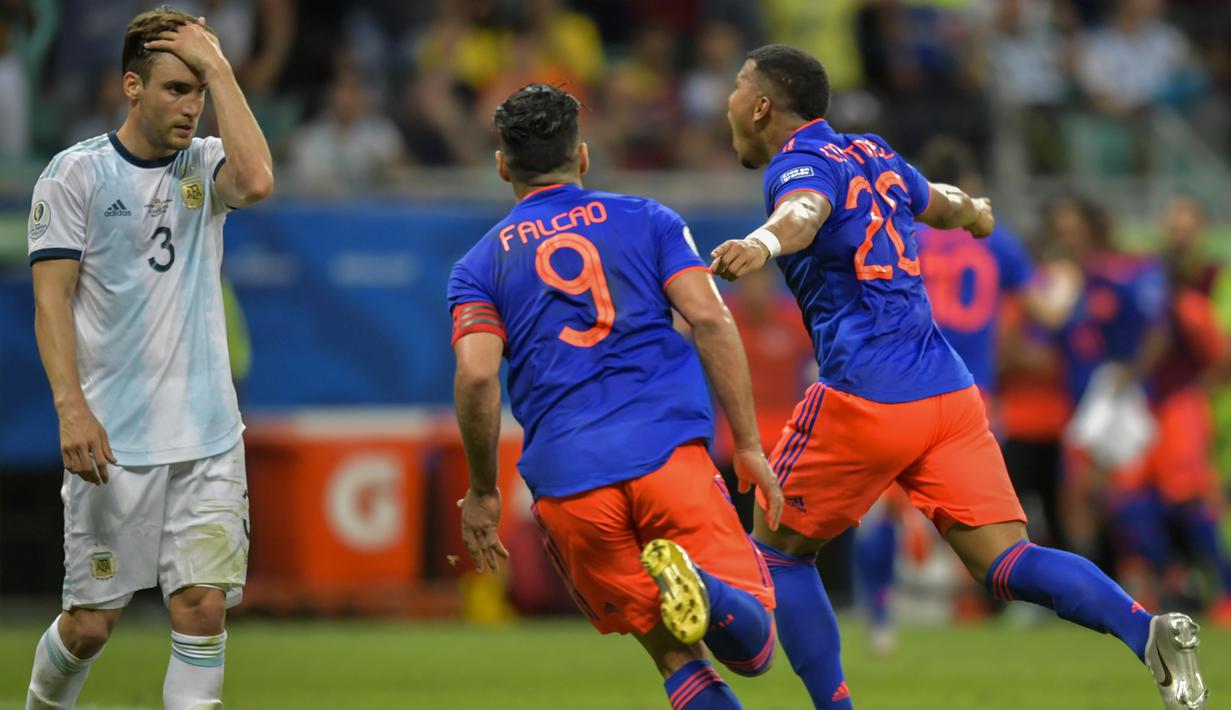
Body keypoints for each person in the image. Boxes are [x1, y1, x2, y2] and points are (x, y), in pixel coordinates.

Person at [712, 43, 1207, 709]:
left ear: (762, 105)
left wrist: (763, 242)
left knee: (777, 555)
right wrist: (975, 210)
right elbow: (938, 201)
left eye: (736, 88)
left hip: (865, 396)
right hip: (949, 395)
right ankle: (1144, 630)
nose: (728, 102)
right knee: (1005, 562)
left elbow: (802, 212)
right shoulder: (872, 153)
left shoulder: (795, 167)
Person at [448, 83, 783, 709]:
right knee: (756, 651)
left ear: (502, 166)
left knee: (674, 656)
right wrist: (750, 445)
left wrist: (484, 490)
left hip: (570, 482)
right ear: (581, 156)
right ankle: (706, 589)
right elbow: (709, 320)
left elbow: (475, 376)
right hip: (668, 455)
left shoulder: (478, 265)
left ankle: (696, 598)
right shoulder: (648, 219)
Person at [24, 9, 274, 709]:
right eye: (175, 89)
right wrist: (70, 407)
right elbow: (51, 303)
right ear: (130, 87)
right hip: (115, 441)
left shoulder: (207, 164)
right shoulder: (75, 175)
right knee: (91, 626)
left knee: (201, 608)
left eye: (199, 90)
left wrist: (220, 67)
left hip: (207, 437)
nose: (191, 106)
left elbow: (256, 183)